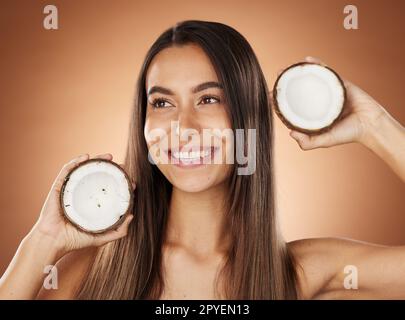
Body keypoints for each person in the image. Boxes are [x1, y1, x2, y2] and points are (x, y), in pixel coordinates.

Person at [0, 20, 404, 300]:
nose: (183, 126)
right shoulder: (88, 273)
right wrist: (43, 242)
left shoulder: (306, 273)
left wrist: (374, 125)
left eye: (209, 98)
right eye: (161, 103)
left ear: (248, 118)